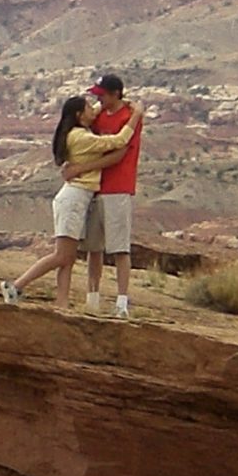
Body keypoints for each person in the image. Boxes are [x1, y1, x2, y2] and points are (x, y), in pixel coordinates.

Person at [1, 93, 139, 309]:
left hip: (76, 199)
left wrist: (108, 101)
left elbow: (93, 110)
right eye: (88, 107)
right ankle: (16, 285)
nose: (94, 109)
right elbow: (119, 141)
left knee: (68, 257)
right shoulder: (81, 137)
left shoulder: (76, 131)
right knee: (61, 255)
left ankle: (62, 302)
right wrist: (136, 115)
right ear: (79, 115)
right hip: (74, 199)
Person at [80, 74, 144, 318]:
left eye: (102, 94)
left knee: (119, 248)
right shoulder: (101, 116)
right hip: (96, 186)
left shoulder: (128, 118)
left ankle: (121, 302)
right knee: (93, 247)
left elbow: (119, 152)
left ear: (114, 93)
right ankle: (92, 298)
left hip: (118, 187)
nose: (99, 98)